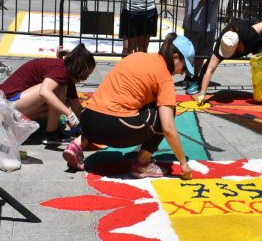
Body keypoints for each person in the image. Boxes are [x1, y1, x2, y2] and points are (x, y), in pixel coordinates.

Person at [62, 33, 195, 180]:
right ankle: (142, 164)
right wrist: (183, 163)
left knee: (111, 104)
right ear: (175, 57)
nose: (182, 73)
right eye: (184, 67)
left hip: (88, 121)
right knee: (166, 111)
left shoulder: (137, 56)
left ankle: (76, 145)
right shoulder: (164, 77)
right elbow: (168, 128)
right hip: (116, 128)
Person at [0, 43, 95, 144]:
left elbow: (76, 107)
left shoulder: (67, 76)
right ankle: (51, 134)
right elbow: (44, 92)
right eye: (86, 74)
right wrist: (69, 114)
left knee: (63, 104)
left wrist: (89, 127)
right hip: (5, 105)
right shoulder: (60, 70)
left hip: (12, 107)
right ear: (79, 68)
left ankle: (20, 126)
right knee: (58, 91)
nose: (86, 78)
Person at [176, 0, 229, 94]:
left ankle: (195, 77)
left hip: (209, 23)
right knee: (189, 52)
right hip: (192, 21)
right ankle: (189, 75)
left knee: (202, 53)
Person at [192, 19, 262, 106]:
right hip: (238, 43)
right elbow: (210, 70)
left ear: (237, 46)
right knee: (209, 64)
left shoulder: (248, 34)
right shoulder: (223, 42)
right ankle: (199, 85)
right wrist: (203, 93)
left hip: (254, 42)